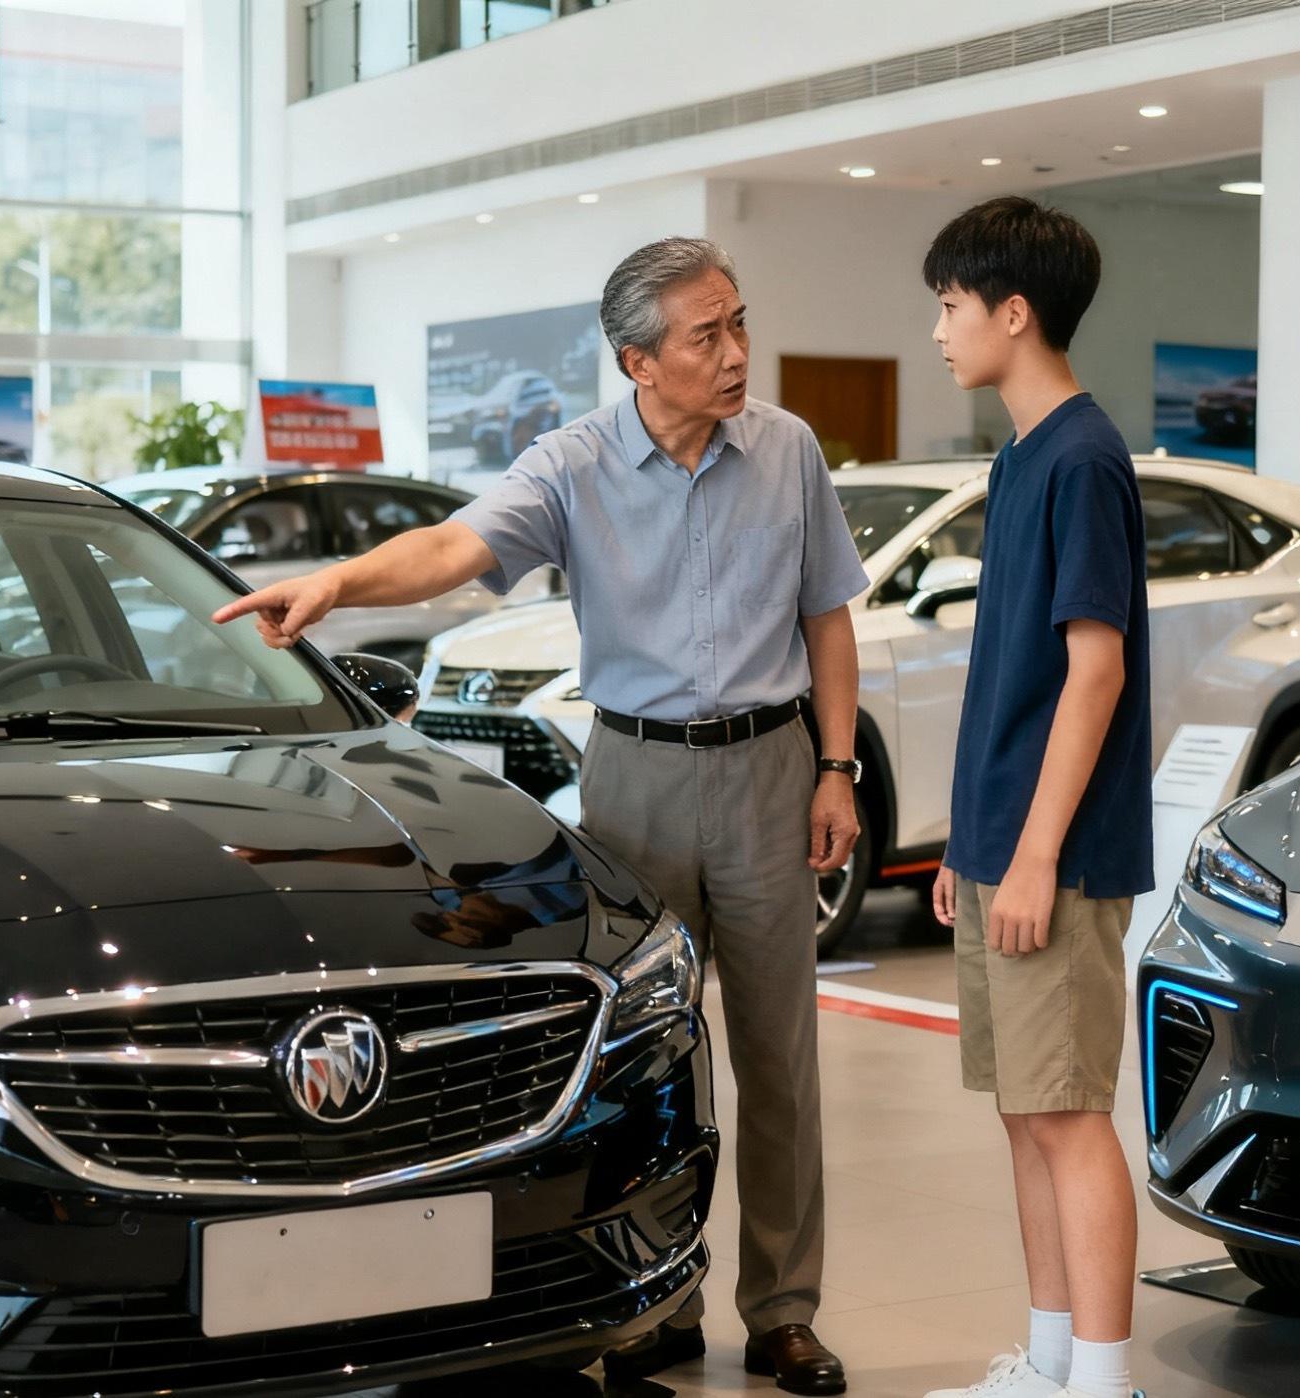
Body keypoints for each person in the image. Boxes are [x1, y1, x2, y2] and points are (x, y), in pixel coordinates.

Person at [211, 237, 867, 1397]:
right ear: (638, 361)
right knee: (640, 1062)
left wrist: (837, 766)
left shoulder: (790, 450)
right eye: (704, 336)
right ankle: (652, 1300)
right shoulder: (571, 466)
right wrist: (337, 585)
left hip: (770, 769)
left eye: (738, 323)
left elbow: (829, 620)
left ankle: (783, 1310)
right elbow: (451, 548)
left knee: (780, 1058)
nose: (734, 353)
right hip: (636, 780)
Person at [917, 197, 1149, 1398]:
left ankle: (1104, 1381)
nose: (941, 333)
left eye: (951, 308)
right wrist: (974, 841)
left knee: (1066, 1117)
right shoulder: (1017, 459)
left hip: (1058, 853)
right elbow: (1008, 677)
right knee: (1024, 1114)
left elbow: (1093, 671)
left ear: (1015, 311)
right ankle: (1051, 1365)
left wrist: (1040, 853)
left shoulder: (1082, 457)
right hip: (1005, 838)